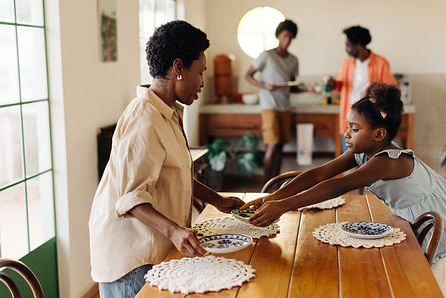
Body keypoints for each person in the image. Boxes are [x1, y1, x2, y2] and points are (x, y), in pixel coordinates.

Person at [89, 20, 245, 298]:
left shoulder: (168, 113)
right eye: (200, 72)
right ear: (178, 69)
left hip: (151, 250)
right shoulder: (143, 119)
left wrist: (217, 200)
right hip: (132, 260)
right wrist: (174, 231)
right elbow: (131, 197)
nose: (203, 82)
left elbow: (177, 172)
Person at [241, 82, 446, 293]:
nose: (346, 133)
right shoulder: (364, 150)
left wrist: (282, 206)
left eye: (355, 129)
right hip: (409, 213)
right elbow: (320, 173)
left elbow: (336, 186)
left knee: (424, 281)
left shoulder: (386, 161)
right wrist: (273, 198)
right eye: (348, 126)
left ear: (379, 135)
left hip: (433, 215)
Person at [245, 19, 302, 182]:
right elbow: (248, 75)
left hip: (285, 107)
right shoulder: (266, 55)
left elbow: (292, 86)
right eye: (285, 36)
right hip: (269, 106)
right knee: (272, 145)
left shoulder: (293, 60)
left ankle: (274, 185)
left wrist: (309, 89)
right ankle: (266, 186)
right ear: (278, 36)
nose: (287, 40)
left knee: (280, 147)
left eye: (290, 37)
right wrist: (264, 85)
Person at [330, 25, 397, 152]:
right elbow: (339, 85)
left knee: (369, 158)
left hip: (370, 118)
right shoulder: (347, 63)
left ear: (358, 45)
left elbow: (391, 89)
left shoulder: (381, 63)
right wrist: (333, 83)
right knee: (349, 157)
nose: (346, 49)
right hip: (349, 116)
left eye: (348, 45)